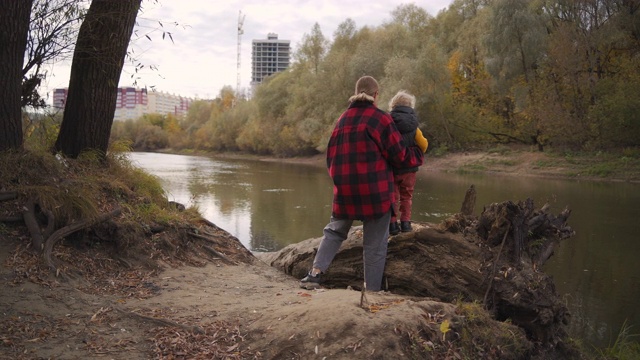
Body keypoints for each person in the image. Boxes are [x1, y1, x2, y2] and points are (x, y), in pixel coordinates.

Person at [300, 76, 427, 292]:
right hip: (376, 192)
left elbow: (330, 159)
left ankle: (315, 274)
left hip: (345, 191)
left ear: (356, 92)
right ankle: (371, 290)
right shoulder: (381, 119)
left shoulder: (342, 120)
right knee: (375, 244)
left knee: (334, 231)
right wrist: (418, 152)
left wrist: (342, 182)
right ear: (376, 95)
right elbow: (400, 157)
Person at [387, 90, 428, 235]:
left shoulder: (388, 123)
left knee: (393, 197)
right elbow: (424, 145)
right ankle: (406, 223)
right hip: (410, 168)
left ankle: (392, 225)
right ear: (411, 106)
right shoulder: (414, 126)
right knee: (407, 196)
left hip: (392, 167)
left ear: (393, 105)